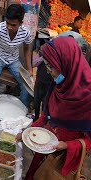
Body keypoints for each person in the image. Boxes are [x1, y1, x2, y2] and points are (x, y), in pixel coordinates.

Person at [16, 37, 91, 180]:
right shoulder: (59, 86)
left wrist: (67, 146)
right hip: (46, 145)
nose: (50, 72)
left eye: (52, 66)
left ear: (66, 63)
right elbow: (46, 117)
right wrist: (27, 132)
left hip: (64, 158)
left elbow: (89, 142)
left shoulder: (87, 98)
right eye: (47, 66)